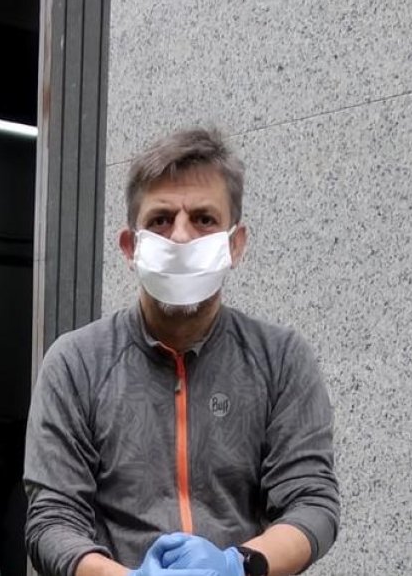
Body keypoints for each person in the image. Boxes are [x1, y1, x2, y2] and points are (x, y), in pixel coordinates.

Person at [24, 129, 339, 576]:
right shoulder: (76, 363)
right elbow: (51, 521)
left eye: (205, 219)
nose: (181, 236)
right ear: (130, 247)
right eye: (160, 220)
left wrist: (237, 566)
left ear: (235, 244)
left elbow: (312, 502)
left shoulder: (281, 359)